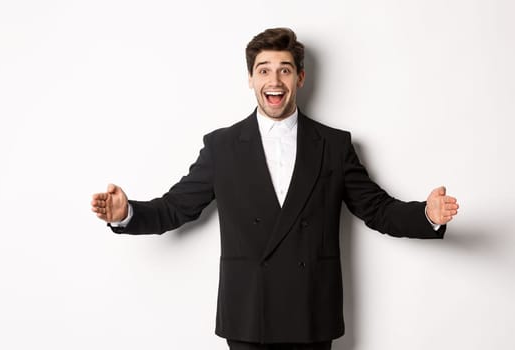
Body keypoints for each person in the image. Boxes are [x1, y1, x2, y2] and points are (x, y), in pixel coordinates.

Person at [89, 28, 459, 350]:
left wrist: (426, 215)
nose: (274, 80)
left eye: (284, 70)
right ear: (250, 79)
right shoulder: (221, 147)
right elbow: (176, 208)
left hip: (311, 311)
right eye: (263, 70)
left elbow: (377, 209)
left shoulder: (333, 145)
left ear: (300, 77)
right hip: (250, 315)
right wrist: (127, 214)